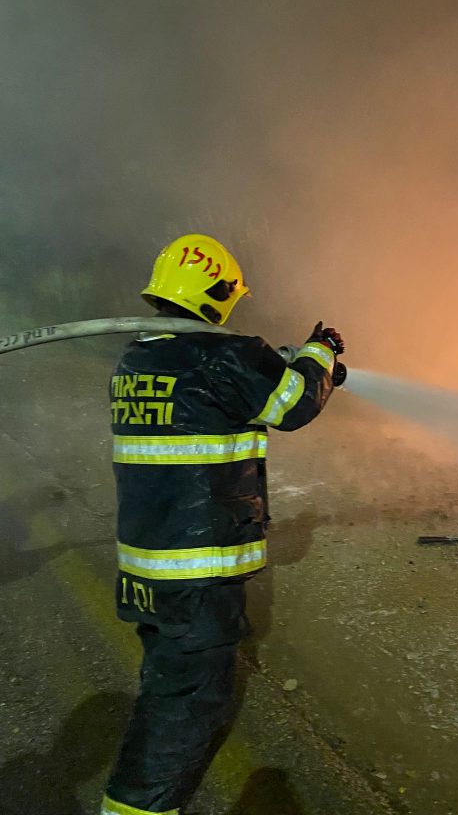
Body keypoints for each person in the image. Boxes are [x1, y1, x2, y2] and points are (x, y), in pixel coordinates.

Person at [101, 234, 345, 815]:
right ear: (217, 294)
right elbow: (295, 404)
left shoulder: (138, 361)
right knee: (190, 706)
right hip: (197, 574)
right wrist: (320, 352)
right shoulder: (225, 355)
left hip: (146, 568)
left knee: (166, 689)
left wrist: (291, 365)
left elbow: (234, 395)